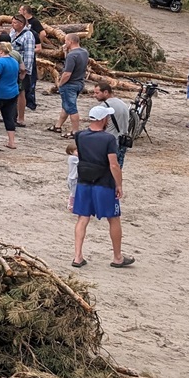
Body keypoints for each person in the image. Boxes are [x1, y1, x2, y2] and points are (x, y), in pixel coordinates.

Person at [71, 105, 131, 268]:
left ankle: (77, 256)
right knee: (113, 218)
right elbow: (113, 165)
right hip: (103, 183)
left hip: (84, 182)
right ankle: (117, 257)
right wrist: (119, 184)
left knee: (82, 218)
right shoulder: (108, 139)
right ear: (103, 119)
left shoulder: (80, 135)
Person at [54, 32, 90, 136]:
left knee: (72, 108)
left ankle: (75, 131)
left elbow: (67, 73)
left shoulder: (72, 55)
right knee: (66, 106)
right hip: (79, 82)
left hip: (70, 84)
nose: (64, 43)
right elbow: (70, 64)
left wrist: (60, 84)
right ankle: (58, 126)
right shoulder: (84, 52)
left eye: (65, 41)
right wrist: (66, 52)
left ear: (71, 41)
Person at [92, 80, 132, 166]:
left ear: (106, 92)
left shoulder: (104, 107)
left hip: (110, 141)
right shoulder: (122, 103)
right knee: (117, 168)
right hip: (122, 141)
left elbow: (99, 125)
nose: (94, 95)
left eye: (97, 93)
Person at [17, 3, 44, 111]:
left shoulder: (33, 27)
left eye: (20, 10)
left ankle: (31, 102)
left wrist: (35, 43)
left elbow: (43, 34)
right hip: (20, 59)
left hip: (28, 59)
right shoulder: (15, 33)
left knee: (29, 81)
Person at [11, 13, 37, 116]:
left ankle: (20, 118)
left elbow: (29, 54)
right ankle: (11, 114)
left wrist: (25, 70)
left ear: (21, 24)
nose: (13, 25)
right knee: (12, 91)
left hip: (22, 69)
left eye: (15, 23)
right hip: (12, 67)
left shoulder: (28, 35)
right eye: (12, 22)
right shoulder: (12, 33)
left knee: (21, 93)